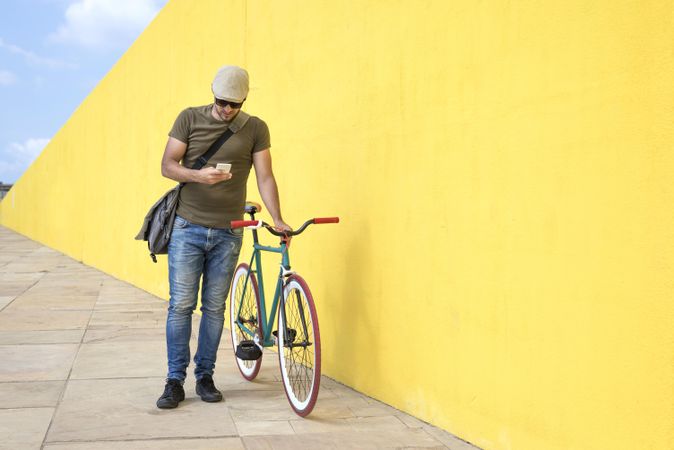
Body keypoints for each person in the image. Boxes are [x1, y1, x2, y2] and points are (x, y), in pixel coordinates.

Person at [156, 65, 290, 409]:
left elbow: (265, 176)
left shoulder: (256, 128)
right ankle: (174, 380)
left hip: (229, 232)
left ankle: (205, 376)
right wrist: (199, 176)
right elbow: (168, 165)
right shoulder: (189, 118)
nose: (227, 109)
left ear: (244, 100)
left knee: (214, 308)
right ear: (212, 92)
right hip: (188, 226)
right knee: (181, 305)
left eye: (234, 104)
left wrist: (278, 218)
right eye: (221, 101)